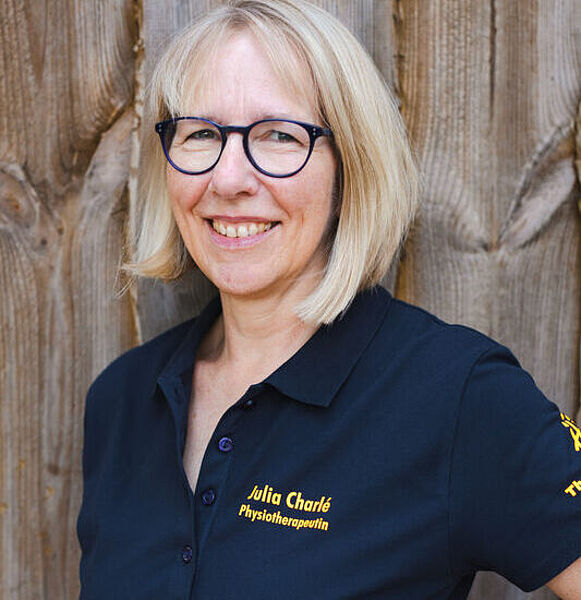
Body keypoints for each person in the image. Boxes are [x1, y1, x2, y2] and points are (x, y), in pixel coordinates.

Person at [76, 1, 581, 598]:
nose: (229, 179)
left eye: (279, 135)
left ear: (348, 171)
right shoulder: (123, 400)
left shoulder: (460, 398)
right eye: (201, 134)